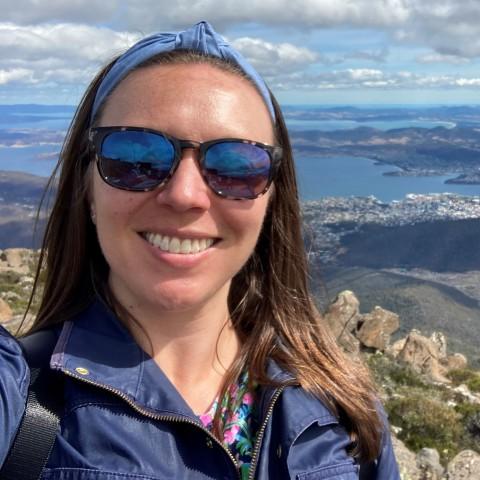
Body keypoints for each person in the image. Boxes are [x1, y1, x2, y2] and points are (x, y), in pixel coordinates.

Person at [0, 21, 400, 479]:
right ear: (87, 189)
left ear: (270, 199)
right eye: (136, 158)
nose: (185, 194)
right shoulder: (20, 395)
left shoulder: (344, 418)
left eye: (236, 166)